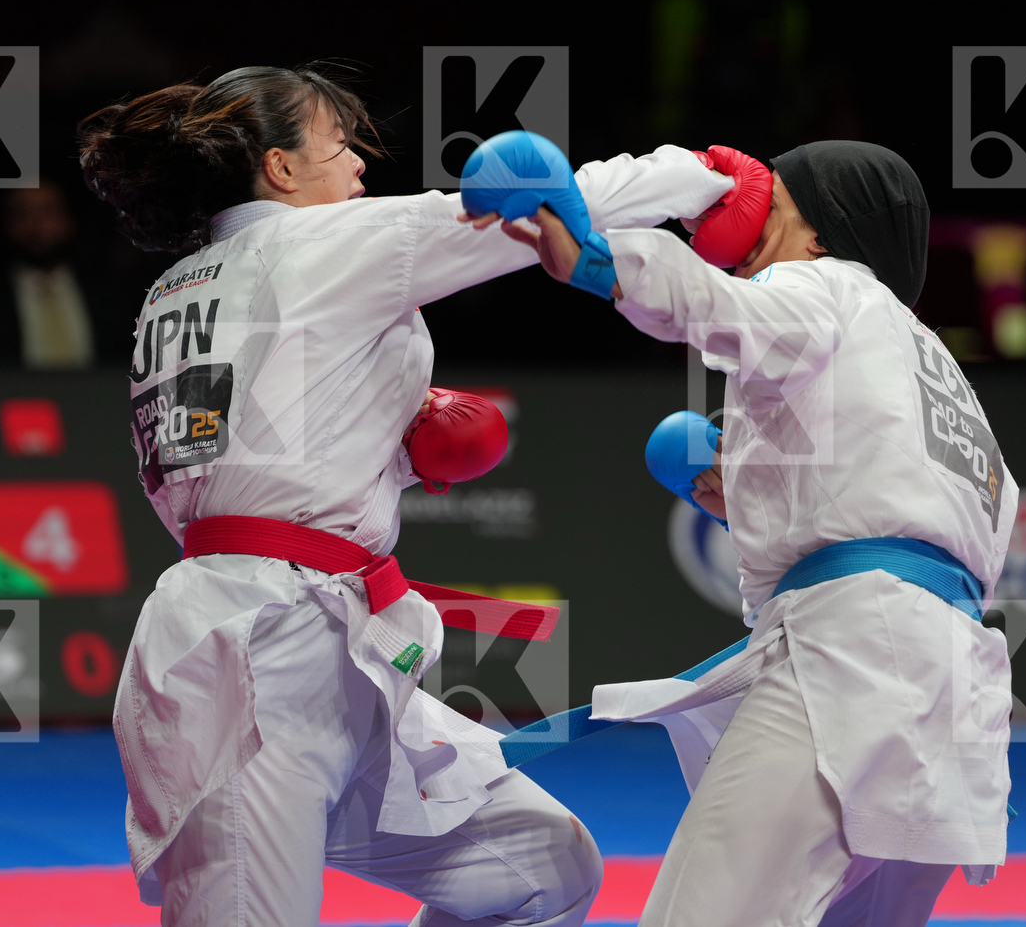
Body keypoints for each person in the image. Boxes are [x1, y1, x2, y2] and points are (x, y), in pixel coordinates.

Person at [76, 64, 740, 926]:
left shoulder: (173, 293)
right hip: (254, 657)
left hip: (321, 642)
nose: (358, 166)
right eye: (340, 144)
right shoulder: (320, 245)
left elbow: (228, 461)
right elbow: (546, 203)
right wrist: (710, 173)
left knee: (541, 866)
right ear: (280, 169)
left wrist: (393, 440)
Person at [474, 139, 1017, 927]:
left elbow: (720, 309)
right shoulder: (938, 367)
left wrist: (597, 258)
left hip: (855, 661)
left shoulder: (828, 284)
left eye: (775, 203)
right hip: (956, 693)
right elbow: (930, 525)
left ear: (824, 233)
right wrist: (756, 491)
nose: (746, 215)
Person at [0, 182, 124, 369]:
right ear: (6, 223)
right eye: (21, 213)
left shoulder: (111, 291)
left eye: (47, 212)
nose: (34, 225)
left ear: (69, 219)